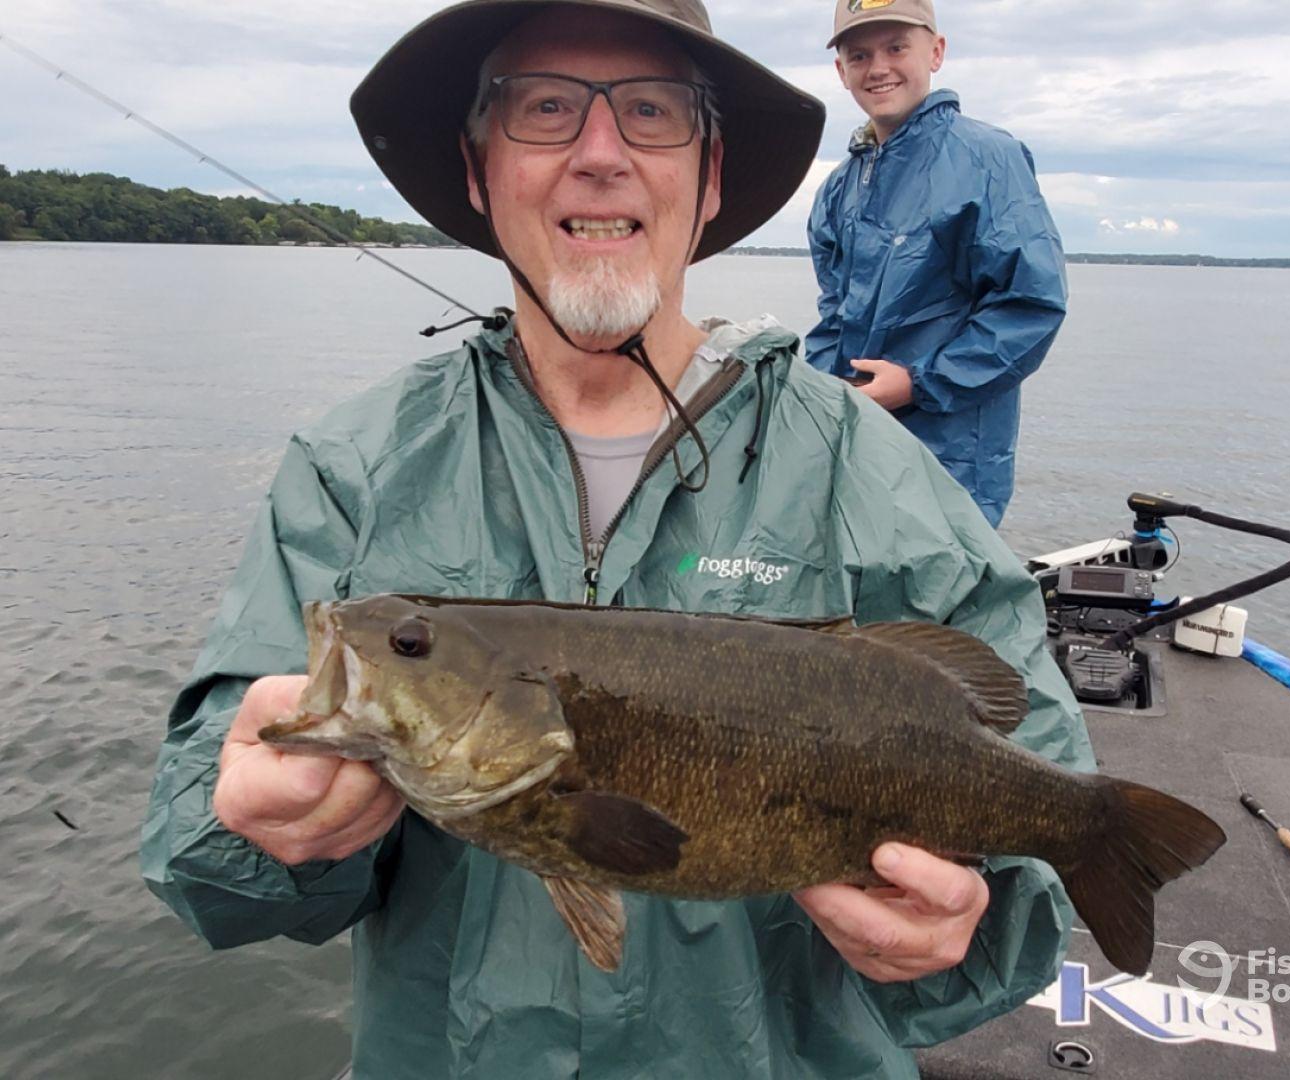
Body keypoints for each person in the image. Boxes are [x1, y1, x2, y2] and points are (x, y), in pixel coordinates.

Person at [140, 1, 1094, 1076]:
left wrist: (966, 918)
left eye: (651, 111)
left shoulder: (872, 471)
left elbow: (1039, 839)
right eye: (545, 109)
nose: (601, 155)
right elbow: (198, 866)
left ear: (712, 175)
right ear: (475, 167)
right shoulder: (349, 469)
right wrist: (260, 835)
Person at [805, 0, 1068, 527]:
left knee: (933, 605)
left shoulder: (988, 158)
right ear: (841, 71)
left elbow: (1030, 306)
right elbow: (834, 318)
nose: (878, 67)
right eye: (859, 54)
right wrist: (810, 396)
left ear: (936, 51)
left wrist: (919, 383)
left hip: (951, 465)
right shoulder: (837, 188)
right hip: (855, 453)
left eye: (897, 47)